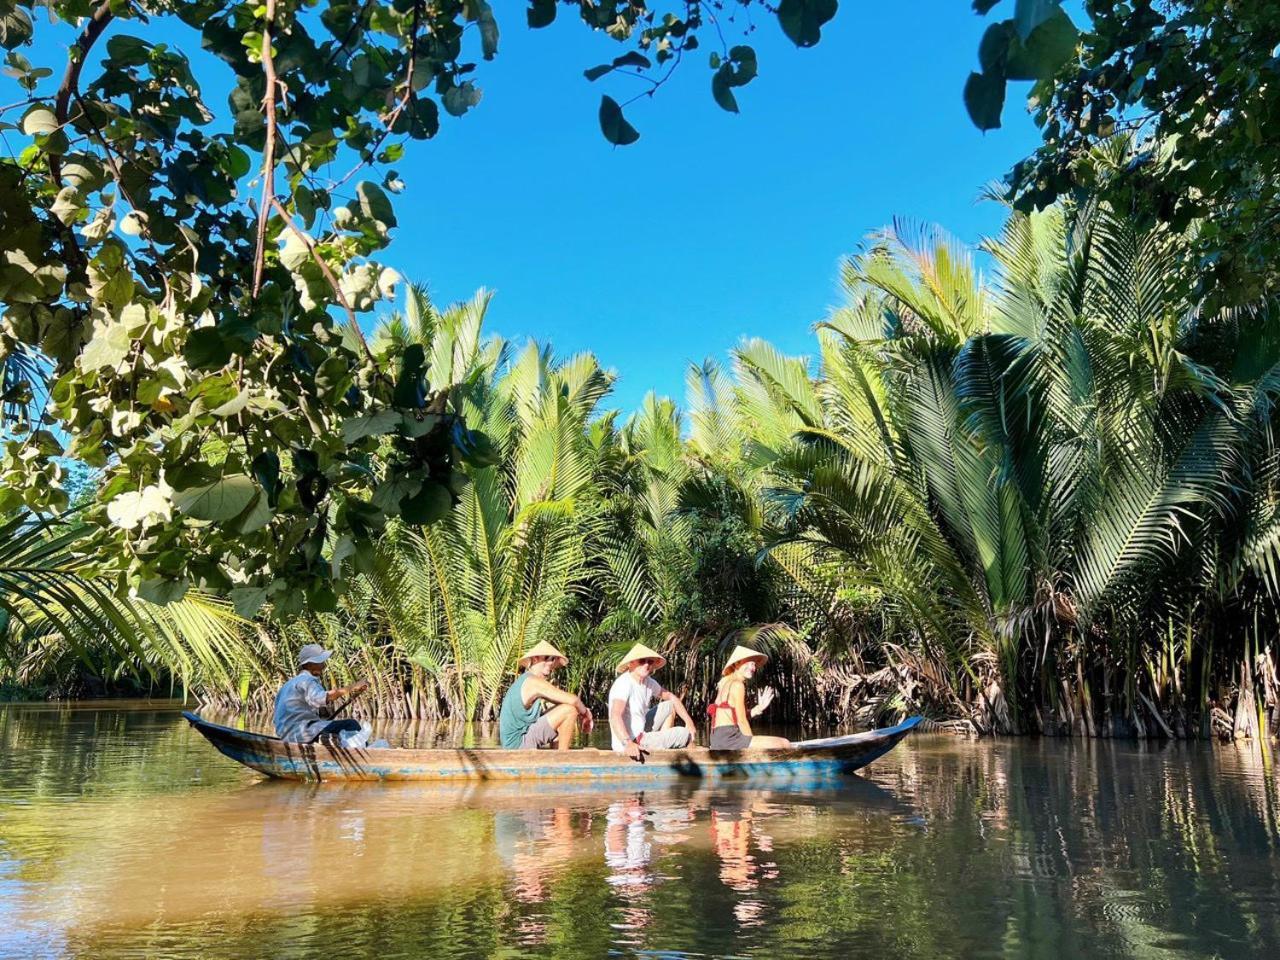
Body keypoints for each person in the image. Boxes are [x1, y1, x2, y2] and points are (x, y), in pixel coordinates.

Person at [498, 640, 593, 750]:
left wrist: (580, 712)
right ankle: (563, 760)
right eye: (546, 658)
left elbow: (563, 702)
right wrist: (586, 714)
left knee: (561, 711)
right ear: (534, 659)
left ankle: (556, 758)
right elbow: (573, 700)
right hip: (519, 744)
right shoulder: (532, 681)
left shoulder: (530, 681)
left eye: (552, 659)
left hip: (522, 739)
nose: (550, 663)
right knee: (570, 710)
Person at [608, 643, 695, 760]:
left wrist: (689, 722)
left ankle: (663, 745)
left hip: (641, 730)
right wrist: (628, 743)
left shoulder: (648, 682)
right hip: (631, 740)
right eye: (642, 661)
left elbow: (671, 697)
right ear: (630, 664)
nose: (646, 665)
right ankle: (669, 747)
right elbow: (615, 715)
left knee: (669, 705)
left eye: (650, 662)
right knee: (684, 734)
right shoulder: (624, 684)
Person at [273, 643, 370, 743]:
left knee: (332, 731)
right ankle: (367, 753)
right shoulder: (307, 681)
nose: (323, 666)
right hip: (299, 733)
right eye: (320, 662)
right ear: (310, 664)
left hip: (285, 734)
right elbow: (324, 698)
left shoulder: (289, 683)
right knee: (351, 724)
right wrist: (353, 686)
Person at [707, 645, 791, 751]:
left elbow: (733, 715)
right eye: (748, 663)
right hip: (730, 738)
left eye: (754, 664)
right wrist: (751, 748)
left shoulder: (725, 683)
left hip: (717, 740)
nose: (752, 668)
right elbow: (741, 721)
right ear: (737, 664)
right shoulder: (738, 685)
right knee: (785, 743)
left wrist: (758, 708)